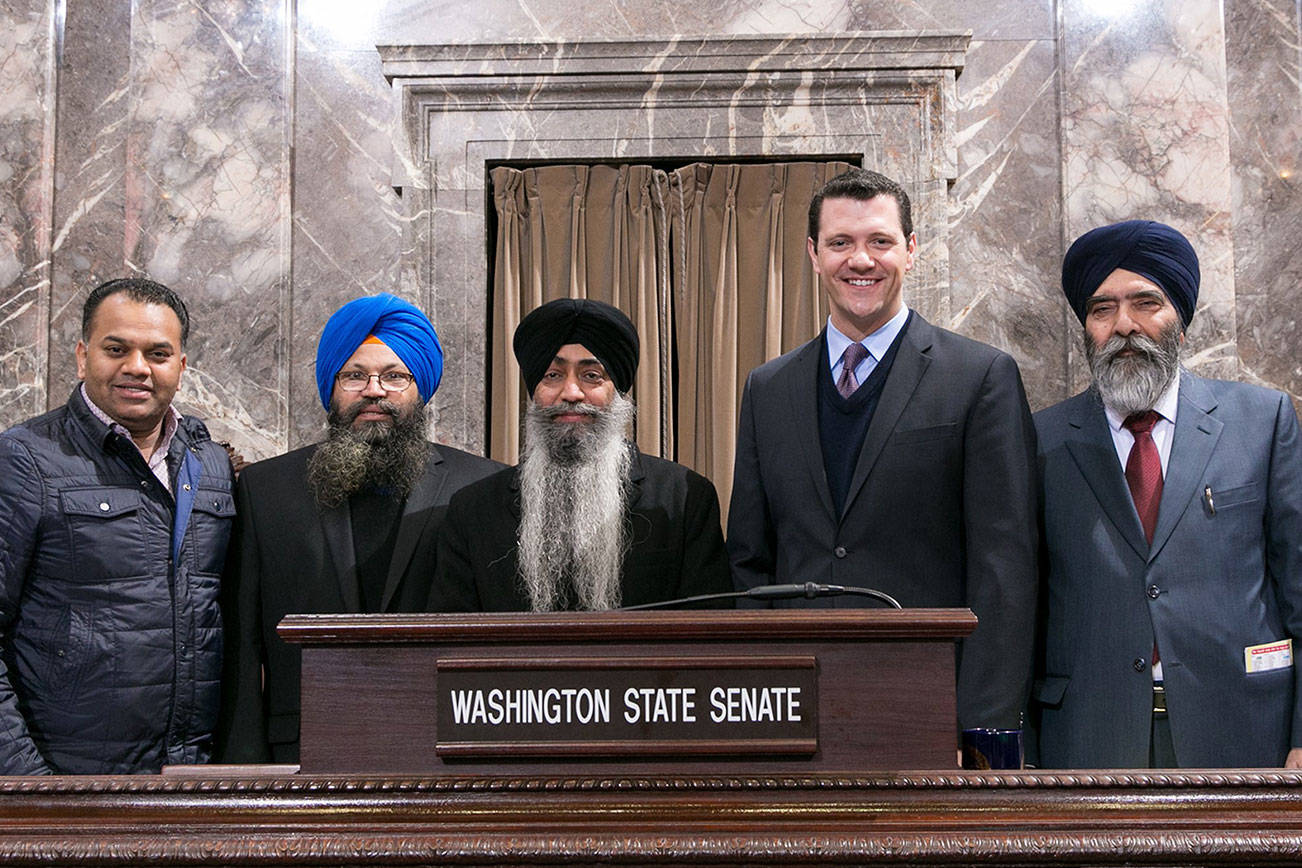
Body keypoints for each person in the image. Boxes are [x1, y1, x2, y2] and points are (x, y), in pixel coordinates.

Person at [727, 168, 1038, 731]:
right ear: (813, 254)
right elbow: (750, 563)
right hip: (797, 711)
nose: (861, 260)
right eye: (840, 243)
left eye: (880, 241)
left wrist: (982, 724)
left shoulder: (979, 377)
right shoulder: (768, 389)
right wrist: (760, 697)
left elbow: (1004, 570)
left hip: (929, 705)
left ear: (911, 250)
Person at [1033, 220, 1302, 768]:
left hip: (1248, 735)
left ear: (1180, 322)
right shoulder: (1038, 440)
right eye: (1102, 309)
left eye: (1145, 303)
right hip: (1085, 740)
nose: (1124, 325)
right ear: (1086, 329)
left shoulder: (1261, 422)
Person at [215, 293, 501, 764]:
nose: (374, 390)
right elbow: (243, 651)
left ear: (420, 388)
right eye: (354, 375)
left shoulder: (483, 486)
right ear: (332, 387)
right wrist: (245, 772)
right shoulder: (266, 490)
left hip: (446, 754)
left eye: (394, 376)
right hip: (301, 757)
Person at [0, 277, 234, 774]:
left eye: (158, 353)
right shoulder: (25, 460)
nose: (137, 367)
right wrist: (24, 778)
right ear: (84, 356)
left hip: (192, 778)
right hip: (66, 779)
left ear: (182, 366)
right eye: (116, 348)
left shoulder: (210, 465)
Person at [432, 298, 732, 612]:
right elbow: (451, 641)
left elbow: (708, 635)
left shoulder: (683, 499)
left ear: (618, 393)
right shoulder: (474, 510)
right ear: (534, 392)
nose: (571, 393)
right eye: (552, 376)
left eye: (591, 376)